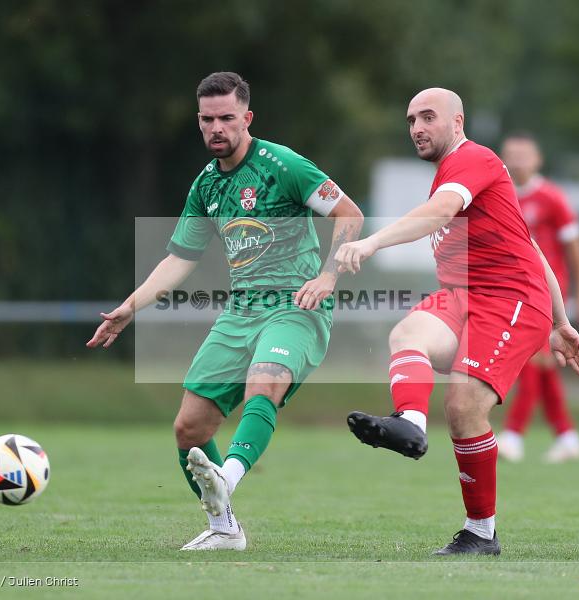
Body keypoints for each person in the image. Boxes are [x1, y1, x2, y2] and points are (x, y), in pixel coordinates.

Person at [87, 72, 363, 551]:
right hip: (240, 312)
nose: (217, 127)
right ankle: (224, 529)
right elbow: (179, 259)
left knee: (266, 379)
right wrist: (132, 306)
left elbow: (350, 214)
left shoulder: (284, 165)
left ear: (247, 118)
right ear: (199, 121)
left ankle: (227, 480)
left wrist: (328, 276)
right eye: (208, 119)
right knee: (189, 428)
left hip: (295, 305)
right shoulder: (206, 186)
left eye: (227, 118)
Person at [333, 88, 579, 556]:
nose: (417, 128)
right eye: (411, 120)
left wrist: (370, 243)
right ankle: (409, 422)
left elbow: (439, 213)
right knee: (407, 333)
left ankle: (480, 533)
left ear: (458, 122)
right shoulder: (461, 174)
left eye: (428, 117)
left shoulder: (474, 158)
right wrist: (563, 320)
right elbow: (532, 248)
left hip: (510, 298)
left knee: (463, 404)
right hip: (465, 295)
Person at [497, 132, 579, 463]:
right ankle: (567, 437)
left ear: (537, 159)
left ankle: (513, 436)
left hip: (548, 297)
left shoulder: (551, 197)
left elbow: (576, 247)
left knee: (533, 362)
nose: (518, 159)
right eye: (511, 153)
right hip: (514, 292)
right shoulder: (502, 193)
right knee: (544, 367)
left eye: (525, 153)